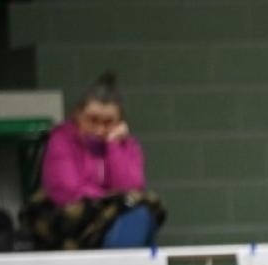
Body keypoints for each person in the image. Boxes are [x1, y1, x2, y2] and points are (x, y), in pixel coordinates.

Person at [30, 71, 166, 250]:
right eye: (92, 120)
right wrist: (109, 198)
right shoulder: (61, 140)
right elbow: (67, 192)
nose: (100, 129)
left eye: (108, 122)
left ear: (119, 122)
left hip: (114, 222)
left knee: (141, 215)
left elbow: (130, 188)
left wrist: (114, 146)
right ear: (77, 115)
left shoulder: (128, 146)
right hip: (73, 224)